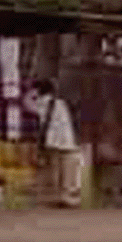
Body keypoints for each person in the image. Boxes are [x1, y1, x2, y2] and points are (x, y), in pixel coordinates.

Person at [27, 79, 83, 207]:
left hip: (52, 142)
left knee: (54, 171)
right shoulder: (61, 103)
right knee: (69, 172)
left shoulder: (40, 103)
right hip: (68, 142)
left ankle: (56, 197)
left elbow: (27, 103)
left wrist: (33, 93)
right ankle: (69, 198)